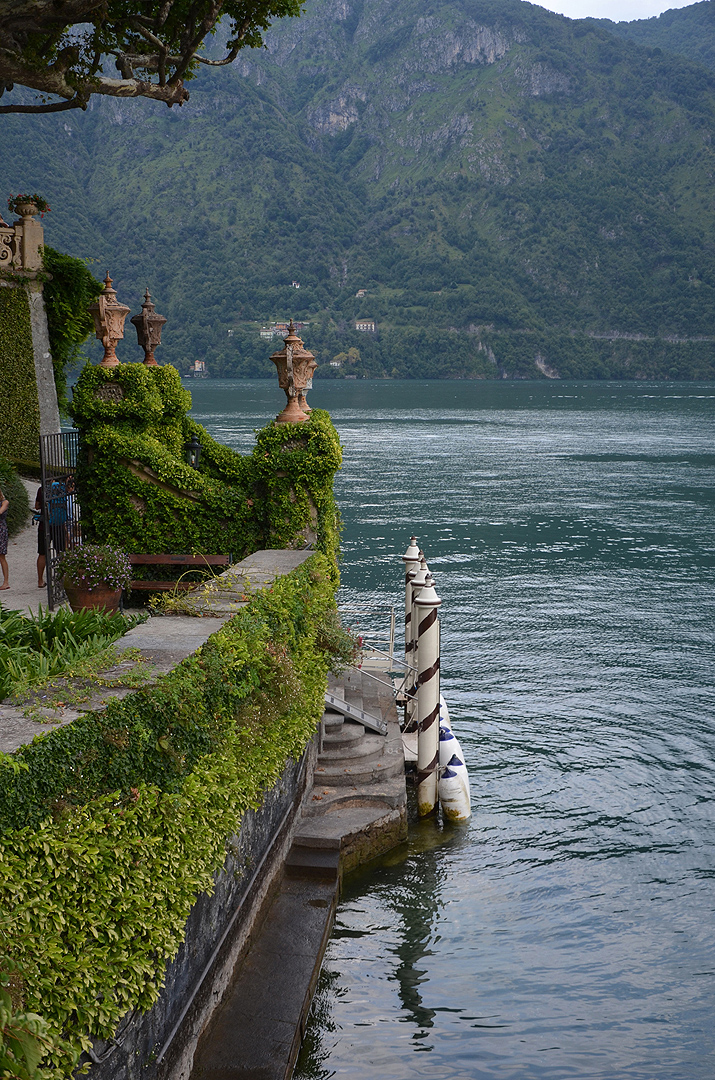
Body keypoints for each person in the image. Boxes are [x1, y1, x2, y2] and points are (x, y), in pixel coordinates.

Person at [35, 485, 46, 588]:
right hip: (58, 524)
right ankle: (62, 579)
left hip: (44, 525)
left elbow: (37, 506)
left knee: (42, 553)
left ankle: (40, 580)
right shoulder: (60, 487)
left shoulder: (41, 489)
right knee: (61, 552)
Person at [0, 488, 9, 590]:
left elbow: (1, 511)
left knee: (1, 556)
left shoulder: (5, 502)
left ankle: (6, 582)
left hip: (1, 530)